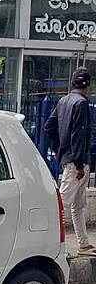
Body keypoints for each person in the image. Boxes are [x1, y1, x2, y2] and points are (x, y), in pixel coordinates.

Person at [45, 67, 95, 256]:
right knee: (63, 206)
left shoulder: (63, 101)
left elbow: (49, 127)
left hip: (69, 158)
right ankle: (54, 247)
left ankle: (83, 243)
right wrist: (80, 164)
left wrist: (61, 146)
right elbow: (79, 135)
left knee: (78, 205)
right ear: (87, 85)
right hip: (77, 163)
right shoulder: (81, 103)